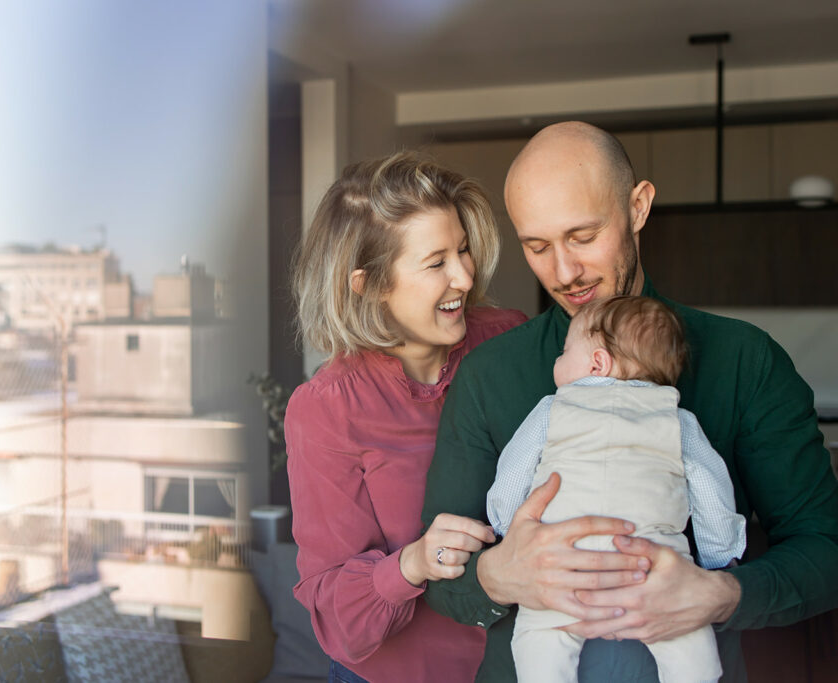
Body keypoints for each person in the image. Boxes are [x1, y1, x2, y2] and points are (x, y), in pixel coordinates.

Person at [421, 120, 838, 682]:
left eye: (583, 236)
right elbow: (441, 574)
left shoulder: (745, 361)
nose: (563, 273)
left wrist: (721, 594)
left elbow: (826, 548)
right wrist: (499, 575)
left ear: (638, 207)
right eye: (537, 246)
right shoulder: (489, 376)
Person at [284, 151, 528, 683]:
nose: (465, 276)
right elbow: (337, 618)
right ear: (367, 285)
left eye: (463, 251)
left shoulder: (509, 340)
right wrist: (413, 563)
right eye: (437, 262)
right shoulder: (326, 408)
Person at [486, 294, 746, 683]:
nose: (557, 361)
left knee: (540, 639)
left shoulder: (551, 408)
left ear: (597, 363)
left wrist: (508, 529)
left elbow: (514, 470)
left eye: (564, 351)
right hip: (651, 569)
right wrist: (717, 555)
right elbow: (712, 488)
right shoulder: (677, 419)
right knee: (689, 646)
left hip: (562, 566)